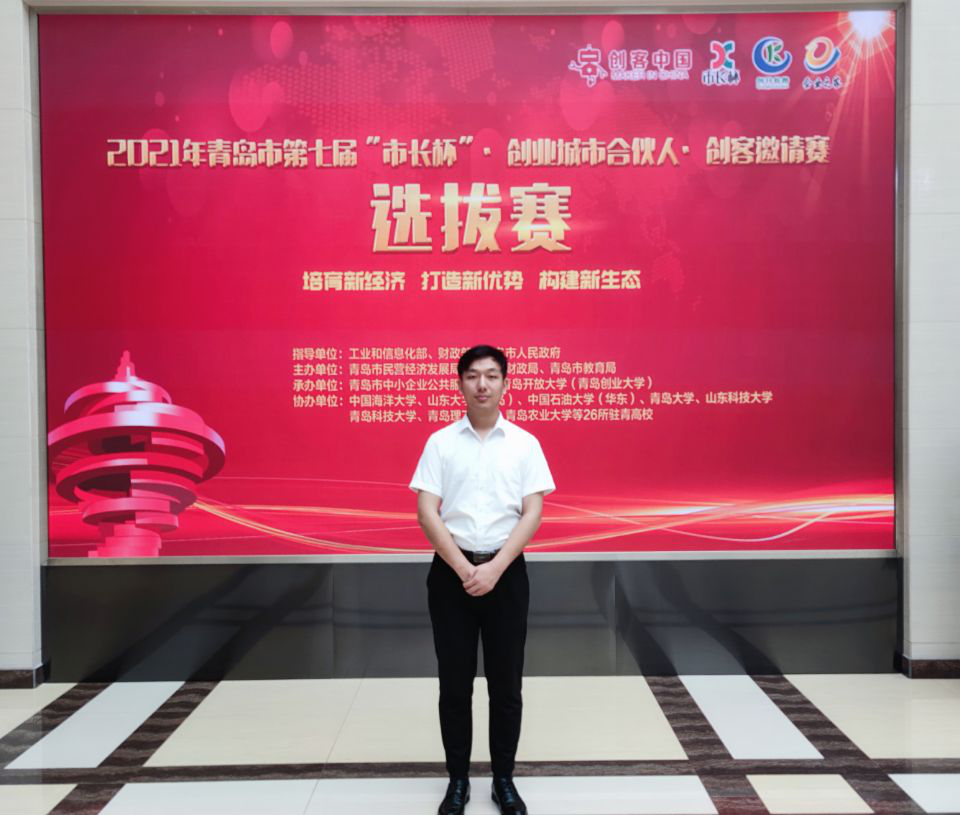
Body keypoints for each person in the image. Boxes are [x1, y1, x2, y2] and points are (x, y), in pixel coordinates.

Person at [410, 345, 555, 815]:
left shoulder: (525, 444)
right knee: (454, 686)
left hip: (506, 575)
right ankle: (457, 781)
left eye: (492, 375)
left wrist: (494, 568)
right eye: (473, 376)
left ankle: (503, 780)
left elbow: (532, 512)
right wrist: (463, 568)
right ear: (460, 384)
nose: (482, 384)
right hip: (450, 575)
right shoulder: (440, 443)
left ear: (505, 383)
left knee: (506, 685)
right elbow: (426, 511)